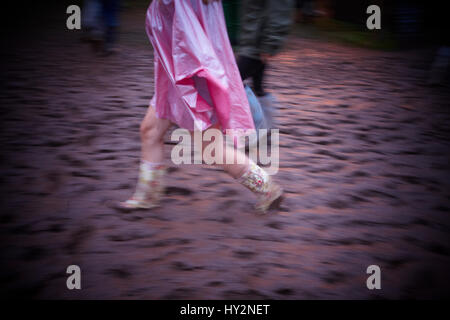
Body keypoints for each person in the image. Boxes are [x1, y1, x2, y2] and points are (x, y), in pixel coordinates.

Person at [118, 0, 283, 213]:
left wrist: (193, 83)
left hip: (187, 77)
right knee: (150, 131)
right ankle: (148, 195)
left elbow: (188, 39)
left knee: (211, 148)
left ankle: (266, 189)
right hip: (178, 75)